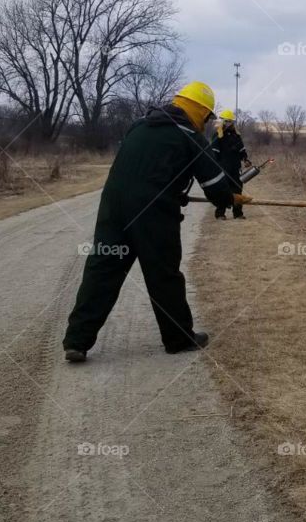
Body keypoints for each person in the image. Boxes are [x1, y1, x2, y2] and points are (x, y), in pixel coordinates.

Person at [62, 81, 236, 362]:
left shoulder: (140, 125)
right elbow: (215, 184)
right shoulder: (189, 135)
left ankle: (76, 341)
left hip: (113, 208)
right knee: (163, 274)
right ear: (201, 113)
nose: (206, 123)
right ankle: (178, 337)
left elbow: (138, 167)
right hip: (153, 214)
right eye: (207, 117)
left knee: (102, 271)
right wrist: (229, 199)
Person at [210, 109, 250, 220]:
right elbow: (214, 154)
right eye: (227, 121)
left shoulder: (236, 136)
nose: (229, 123)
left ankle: (238, 213)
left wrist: (246, 159)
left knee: (237, 190)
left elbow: (242, 150)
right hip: (222, 169)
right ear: (222, 121)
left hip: (236, 169)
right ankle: (220, 214)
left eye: (231, 121)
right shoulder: (217, 136)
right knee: (223, 191)